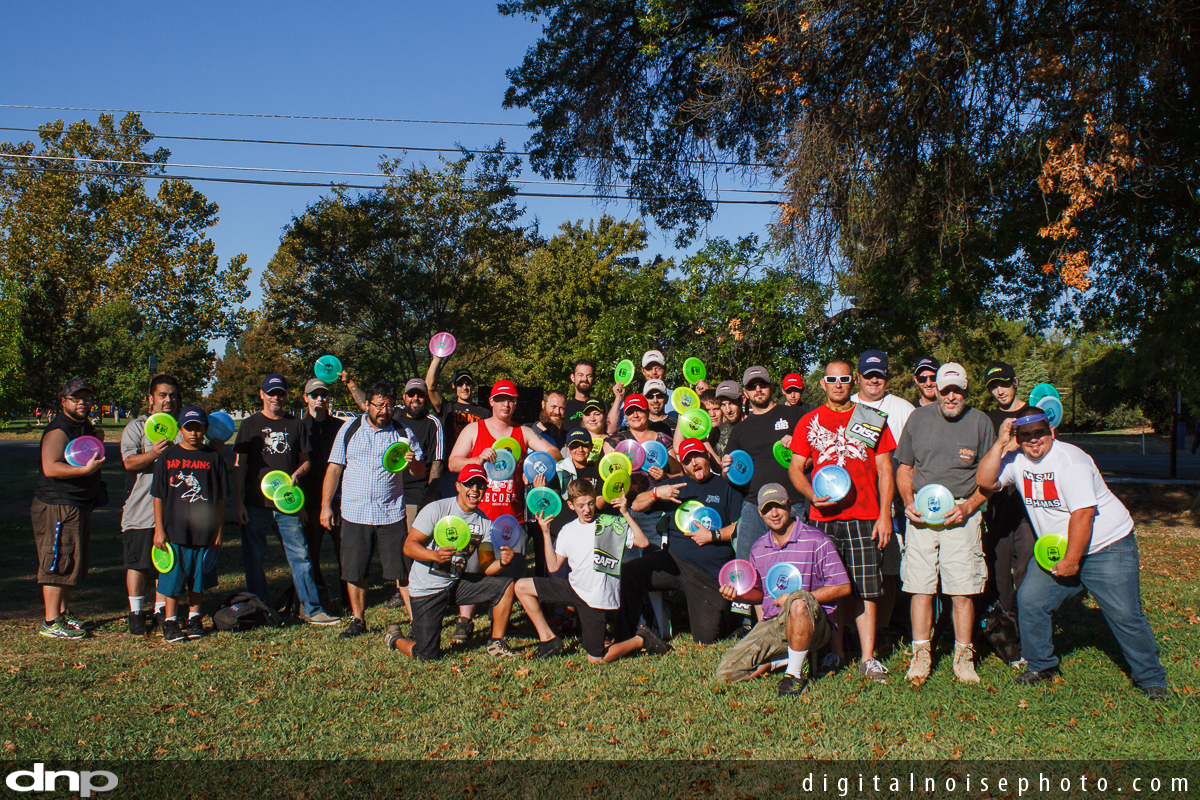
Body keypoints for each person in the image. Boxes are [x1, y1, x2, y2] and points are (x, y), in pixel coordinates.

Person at [977, 411, 1168, 699]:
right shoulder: (1016, 460)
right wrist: (1000, 444)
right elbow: (985, 482)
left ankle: (1152, 679)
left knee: (1125, 614)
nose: (1033, 440)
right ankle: (1041, 666)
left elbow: (1083, 515)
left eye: (1039, 433)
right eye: (1025, 435)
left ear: (1051, 430)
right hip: (1059, 549)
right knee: (1030, 601)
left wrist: (1071, 562)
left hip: (1106, 545)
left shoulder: (1070, 460)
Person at [789, 359, 896, 682]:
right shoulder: (810, 421)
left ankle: (867, 657)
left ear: (854, 382)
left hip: (864, 515)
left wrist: (884, 515)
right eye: (832, 379)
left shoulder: (870, 419)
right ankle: (835, 651)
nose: (838, 384)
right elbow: (796, 467)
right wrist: (810, 494)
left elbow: (885, 470)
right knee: (830, 588)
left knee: (867, 588)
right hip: (824, 518)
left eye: (845, 379)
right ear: (822, 383)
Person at [895, 362, 995, 684]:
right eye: (945, 389)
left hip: (962, 518)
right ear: (936, 389)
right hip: (923, 518)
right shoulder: (917, 419)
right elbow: (904, 468)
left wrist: (969, 507)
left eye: (958, 390)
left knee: (962, 591)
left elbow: (991, 479)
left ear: (966, 390)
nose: (951, 396)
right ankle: (921, 656)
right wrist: (908, 502)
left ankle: (964, 658)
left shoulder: (981, 423)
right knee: (920, 589)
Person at [446, 379, 562, 642]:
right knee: (475, 569)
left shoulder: (523, 433)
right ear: (491, 402)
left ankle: (501, 625)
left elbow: (554, 453)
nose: (505, 404)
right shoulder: (475, 430)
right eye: (500, 399)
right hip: (481, 517)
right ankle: (465, 622)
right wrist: (478, 459)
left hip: (513, 519)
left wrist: (535, 466)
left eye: (510, 399)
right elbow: (453, 463)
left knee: (509, 573)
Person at [715, 484, 852, 696]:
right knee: (725, 671)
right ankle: (781, 660)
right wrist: (738, 595)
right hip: (775, 624)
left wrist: (798, 599)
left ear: (789, 505)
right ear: (760, 513)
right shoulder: (758, 548)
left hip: (814, 623)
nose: (774, 513)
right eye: (768, 509)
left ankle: (794, 676)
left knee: (797, 601)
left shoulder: (816, 540)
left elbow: (842, 586)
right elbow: (761, 595)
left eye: (779, 506)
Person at [516, 481, 670, 662]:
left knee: (596, 659)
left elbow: (642, 542)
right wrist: (545, 532)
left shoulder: (610, 524)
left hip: (596, 598)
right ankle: (549, 638)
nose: (587, 510)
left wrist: (625, 513)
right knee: (520, 586)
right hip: (574, 588)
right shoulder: (568, 530)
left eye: (590, 503)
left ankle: (641, 639)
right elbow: (553, 566)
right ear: (571, 505)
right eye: (581, 506)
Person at [232, 374, 340, 626]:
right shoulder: (249, 425)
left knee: (300, 555)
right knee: (255, 560)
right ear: (262, 394)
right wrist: (238, 503)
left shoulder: (295, 424)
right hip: (256, 504)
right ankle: (261, 609)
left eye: (280, 393)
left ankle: (311, 609)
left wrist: (297, 476)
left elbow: (306, 461)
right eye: (271, 393)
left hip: (288, 504)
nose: (276, 398)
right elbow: (240, 466)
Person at [320, 381, 424, 638]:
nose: (384, 411)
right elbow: (334, 468)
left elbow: (419, 471)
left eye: (389, 406)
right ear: (367, 404)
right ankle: (358, 619)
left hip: (391, 513)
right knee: (355, 569)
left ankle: (415, 621)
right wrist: (325, 506)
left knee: (403, 569)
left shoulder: (403, 433)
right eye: (379, 405)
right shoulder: (349, 428)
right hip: (354, 512)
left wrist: (412, 462)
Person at [385, 465, 520, 660]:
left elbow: (487, 567)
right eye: (469, 484)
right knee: (427, 655)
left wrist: (503, 563)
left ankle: (496, 643)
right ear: (458, 486)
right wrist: (434, 555)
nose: (475, 489)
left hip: (455, 584)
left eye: (480, 485)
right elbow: (409, 546)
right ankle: (395, 638)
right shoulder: (437, 509)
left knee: (506, 585)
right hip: (426, 589)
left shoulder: (484, 523)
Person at [622, 438, 742, 644]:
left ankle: (731, 618)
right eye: (687, 460)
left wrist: (713, 535)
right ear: (682, 464)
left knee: (705, 639)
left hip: (709, 574)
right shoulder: (674, 485)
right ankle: (625, 636)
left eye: (697, 457)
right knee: (629, 573)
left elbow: (739, 528)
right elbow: (637, 505)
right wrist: (655, 492)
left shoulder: (725, 486)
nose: (694, 463)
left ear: (706, 456)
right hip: (674, 561)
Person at [32, 378, 105, 639]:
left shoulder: (83, 425)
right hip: (57, 504)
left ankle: (63, 613)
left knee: (69, 558)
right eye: (76, 398)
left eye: (86, 398)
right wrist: (83, 471)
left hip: (75, 503)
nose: (83, 402)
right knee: (57, 559)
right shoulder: (59, 429)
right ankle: (51, 622)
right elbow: (50, 466)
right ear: (64, 401)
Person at [851, 349, 916, 641]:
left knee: (888, 569)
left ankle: (885, 627)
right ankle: (852, 627)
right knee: (852, 568)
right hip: (853, 500)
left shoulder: (903, 408)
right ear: (858, 377)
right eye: (868, 374)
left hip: (891, 503)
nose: (874, 380)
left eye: (879, 375)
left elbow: (912, 458)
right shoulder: (846, 405)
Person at [151, 407, 226, 643]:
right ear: (180, 429)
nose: (194, 433)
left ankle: (194, 618)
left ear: (205, 429)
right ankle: (171, 621)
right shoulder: (168, 456)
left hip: (204, 531)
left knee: (198, 578)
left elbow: (221, 497)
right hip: (175, 530)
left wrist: (219, 530)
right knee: (173, 579)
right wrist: (159, 529)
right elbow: (158, 494)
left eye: (199, 427)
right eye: (189, 428)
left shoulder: (213, 457)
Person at [723, 366, 810, 570]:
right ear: (745, 393)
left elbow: (814, 456)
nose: (758, 389)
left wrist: (799, 447)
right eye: (752, 386)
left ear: (771, 387)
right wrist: (726, 469)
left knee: (795, 567)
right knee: (747, 566)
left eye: (762, 384)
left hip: (791, 503)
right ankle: (746, 603)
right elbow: (731, 475)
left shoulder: (795, 414)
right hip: (755, 507)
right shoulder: (740, 430)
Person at [120, 375, 181, 635]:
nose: (168, 400)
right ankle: (135, 613)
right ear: (151, 399)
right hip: (141, 508)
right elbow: (129, 463)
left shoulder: (182, 428)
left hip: (174, 511)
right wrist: (154, 453)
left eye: (173, 395)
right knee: (139, 562)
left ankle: (159, 609)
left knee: (165, 562)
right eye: (162, 395)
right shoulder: (137, 427)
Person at [981, 361, 1036, 650]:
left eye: (1003, 383)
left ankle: (1031, 633)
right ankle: (1006, 635)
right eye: (993, 386)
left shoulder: (1032, 414)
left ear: (1015, 382)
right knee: (999, 573)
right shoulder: (988, 419)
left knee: (1025, 572)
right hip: (998, 506)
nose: (999, 390)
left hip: (1029, 509)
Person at [383, 377, 446, 611]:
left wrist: (428, 497)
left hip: (415, 491)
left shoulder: (433, 423)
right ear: (404, 397)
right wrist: (349, 383)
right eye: (412, 394)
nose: (416, 399)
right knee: (393, 541)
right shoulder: (394, 416)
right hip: (389, 490)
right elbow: (366, 405)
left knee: (413, 542)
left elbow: (437, 463)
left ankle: (420, 590)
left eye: (420, 394)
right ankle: (401, 589)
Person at [299, 378, 348, 613]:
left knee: (343, 551)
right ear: (305, 397)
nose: (320, 399)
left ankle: (349, 597)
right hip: (308, 501)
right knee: (312, 554)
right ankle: (320, 595)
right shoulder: (299, 427)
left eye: (324, 395)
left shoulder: (340, 426)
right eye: (314, 394)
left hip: (338, 500)